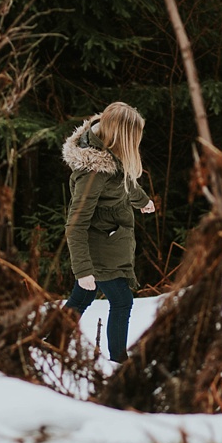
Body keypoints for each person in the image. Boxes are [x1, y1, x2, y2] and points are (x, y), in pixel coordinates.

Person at [62, 102, 155, 364]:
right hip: (99, 245)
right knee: (122, 300)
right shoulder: (93, 173)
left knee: (81, 298)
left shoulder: (107, 150)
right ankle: (119, 362)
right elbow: (75, 224)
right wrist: (83, 270)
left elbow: (123, 180)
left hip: (108, 239)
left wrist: (142, 200)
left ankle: (48, 342)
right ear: (120, 135)